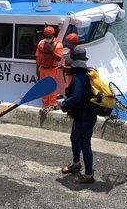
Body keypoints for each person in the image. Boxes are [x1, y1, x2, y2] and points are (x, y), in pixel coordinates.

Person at [60, 46, 97, 184]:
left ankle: (88, 176)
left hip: (85, 117)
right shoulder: (86, 73)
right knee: (74, 138)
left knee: (85, 143)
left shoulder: (77, 78)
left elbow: (75, 98)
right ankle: (76, 163)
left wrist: (63, 103)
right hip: (82, 115)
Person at [36, 26, 63, 109]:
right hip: (42, 69)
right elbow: (37, 57)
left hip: (52, 69)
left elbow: (59, 58)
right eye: (46, 36)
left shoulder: (58, 45)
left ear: (53, 35)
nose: (48, 38)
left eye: (49, 37)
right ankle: (45, 105)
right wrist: (37, 70)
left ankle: (52, 105)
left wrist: (51, 50)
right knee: (43, 88)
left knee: (51, 88)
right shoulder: (41, 44)